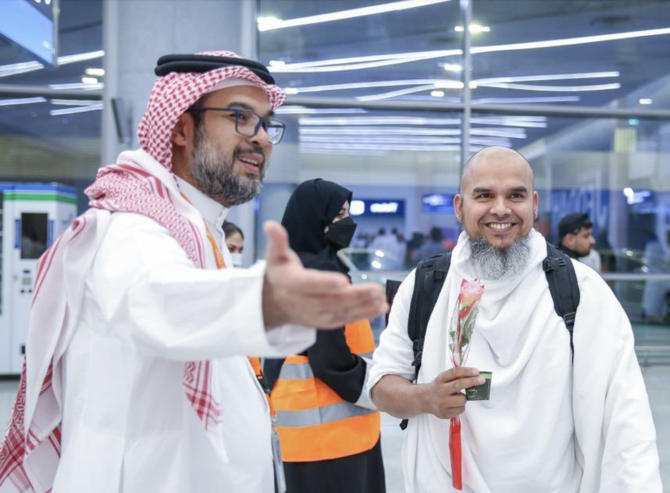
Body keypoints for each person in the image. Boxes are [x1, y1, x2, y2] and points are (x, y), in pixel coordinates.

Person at [0, 51, 387, 493]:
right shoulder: (134, 229)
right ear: (182, 128)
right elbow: (157, 301)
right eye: (241, 117)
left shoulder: (201, 230)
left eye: (265, 123)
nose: (261, 138)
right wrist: (264, 302)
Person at [369, 146, 662, 493]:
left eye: (516, 195)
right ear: (460, 207)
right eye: (484, 195)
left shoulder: (581, 291)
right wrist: (426, 398)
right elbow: (381, 387)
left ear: (534, 205)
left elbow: (626, 419)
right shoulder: (427, 286)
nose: (501, 209)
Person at [264, 179, 385, 493]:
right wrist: (380, 384)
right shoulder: (321, 274)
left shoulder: (289, 270)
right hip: (331, 442)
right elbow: (330, 360)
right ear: (315, 217)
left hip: (299, 435)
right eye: (338, 214)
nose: (346, 222)